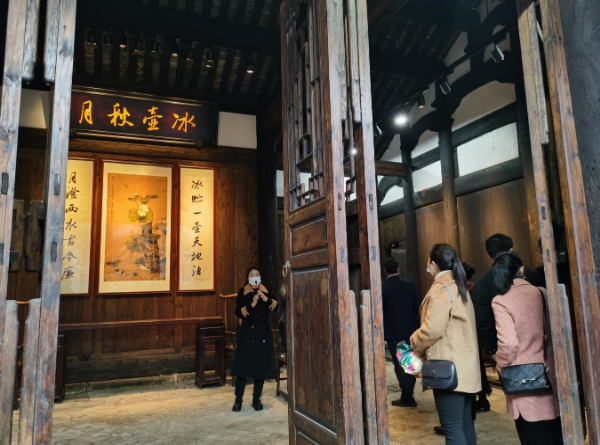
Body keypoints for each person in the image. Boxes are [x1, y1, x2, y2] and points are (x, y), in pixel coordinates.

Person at [410, 244, 481, 445]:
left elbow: (431, 329)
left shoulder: (441, 289)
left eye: (428, 262)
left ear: (433, 264)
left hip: (449, 369)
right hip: (466, 368)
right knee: (465, 425)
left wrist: (415, 342)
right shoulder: (459, 286)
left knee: (453, 429)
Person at [491, 252, 562, 445]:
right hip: (549, 376)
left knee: (531, 436)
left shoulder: (501, 300)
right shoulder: (542, 293)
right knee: (555, 435)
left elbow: (508, 344)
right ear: (521, 270)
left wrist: (499, 362)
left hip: (523, 382)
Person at [471, 234, 545, 358]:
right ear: (512, 250)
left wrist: (491, 350)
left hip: (505, 353)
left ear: (489, 254)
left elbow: (483, 321)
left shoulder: (482, 283)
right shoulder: (533, 275)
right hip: (539, 349)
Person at [231, 266, 278, 412]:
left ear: (260, 277)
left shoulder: (266, 291)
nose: (254, 277)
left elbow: (276, 306)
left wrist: (265, 299)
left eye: (257, 274)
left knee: (260, 367)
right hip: (247, 332)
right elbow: (238, 312)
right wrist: (251, 305)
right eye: (251, 275)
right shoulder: (242, 292)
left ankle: (256, 400)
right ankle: (238, 400)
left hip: (262, 332)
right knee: (242, 368)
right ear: (248, 278)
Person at [381, 258, 420, 407]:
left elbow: (382, 310)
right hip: (410, 330)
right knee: (409, 360)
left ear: (385, 271)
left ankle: (408, 395)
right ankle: (409, 392)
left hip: (394, 331)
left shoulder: (383, 287)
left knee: (400, 364)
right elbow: (415, 306)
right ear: (398, 268)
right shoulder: (409, 284)